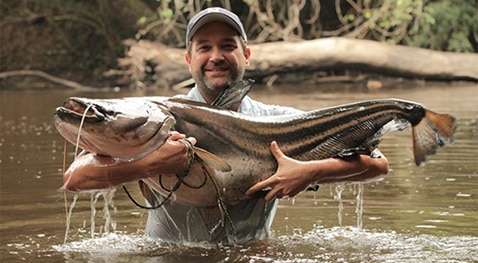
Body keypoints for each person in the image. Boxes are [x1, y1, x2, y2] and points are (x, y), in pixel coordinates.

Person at [63, 7, 389, 245]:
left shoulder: (276, 119)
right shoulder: (153, 118)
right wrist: (149, 165)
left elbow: (376, 165)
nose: (216, 56)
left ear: (246, 55)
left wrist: (311, 172)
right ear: (188, 59)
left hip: (251, 255)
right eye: (204, 47)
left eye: (228, 46)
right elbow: (75, 179)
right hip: (168, 256)